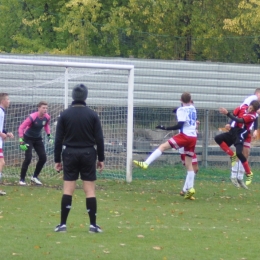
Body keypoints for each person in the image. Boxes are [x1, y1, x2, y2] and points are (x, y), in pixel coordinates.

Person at [54, 84, 105, 233]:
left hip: (69, 153)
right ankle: (93, 226)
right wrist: (101, 158)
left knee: (68, 189)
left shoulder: (64, 115)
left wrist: (57, 159)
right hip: (88, 154)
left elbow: (58, 140)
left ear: (72, 96)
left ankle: (62, 224)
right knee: (89, 190)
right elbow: (99, 139)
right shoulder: (92, 115)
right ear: (85, 97)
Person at [134, 92, 197, 200]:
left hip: (185, 136)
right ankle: (190, 188)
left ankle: (146, 163)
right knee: (189, 164)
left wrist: (165, 128)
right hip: (193, 137)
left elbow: (179, 125)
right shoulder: (193, 108)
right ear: (190, 100)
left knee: (162, 147)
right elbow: (184, 110)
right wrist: (177, 110)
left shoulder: (181, 110)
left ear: (180, 100)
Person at [214, 100, 259, 186]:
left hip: (242, 133)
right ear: (249, 105)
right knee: (217, 138)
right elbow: (234, 115)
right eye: (250, 108)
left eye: (252, 110)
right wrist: (228, 123)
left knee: (240, 152)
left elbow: (239, 120)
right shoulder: (242, 107)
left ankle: (249, 173)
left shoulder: (252, 116)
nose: (250, 110)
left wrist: (227, 113)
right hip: (233, 131)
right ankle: (232, 155)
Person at [227, 88, 260, 188]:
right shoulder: (252, 98)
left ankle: (240, 177)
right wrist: (229, 123)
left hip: (246, 131)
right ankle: (233, 175)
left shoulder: (256, 105)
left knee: (246, 153)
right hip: (239, 130)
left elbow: (255, 116)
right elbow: (238, 113)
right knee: (240, 152)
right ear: (257, 93)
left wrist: (255, 129)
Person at [18, 101, 53, 186]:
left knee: (43, 157)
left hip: (37, 139)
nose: (45, 110)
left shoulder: (47, 117)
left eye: (46, 108)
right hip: (28, 138)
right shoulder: (32, 117)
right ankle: (22, 179)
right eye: (43, 108)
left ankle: (35, 177)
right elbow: (21, 127)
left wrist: (49, 136)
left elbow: (46, 126)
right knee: (28, 158)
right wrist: (21, 141)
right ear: (39, 108)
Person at [0, 93, 14, 195]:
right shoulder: (0, 112)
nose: (9, 101)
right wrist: (1, 134)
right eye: (8, 99)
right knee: (1, 163)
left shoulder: (2, 112)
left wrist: (6, 133)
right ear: (3, 101)